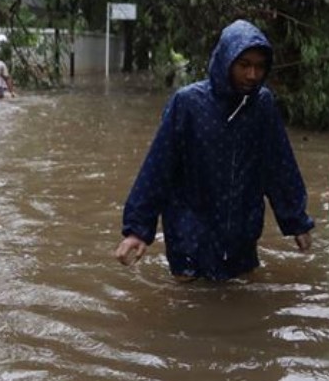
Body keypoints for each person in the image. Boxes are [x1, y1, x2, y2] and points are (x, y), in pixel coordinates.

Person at [114, 19, 314, 281]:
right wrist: (137, 231)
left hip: (242, 233)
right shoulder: (187, 104)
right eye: (244, 65)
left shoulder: (262, 106)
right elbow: (158, 167)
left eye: (259, 67)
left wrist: (296, 221)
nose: (252, 75)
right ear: (226, 62)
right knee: (190, 303)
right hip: (189, 233)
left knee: (241, 299)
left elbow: (279, 166)